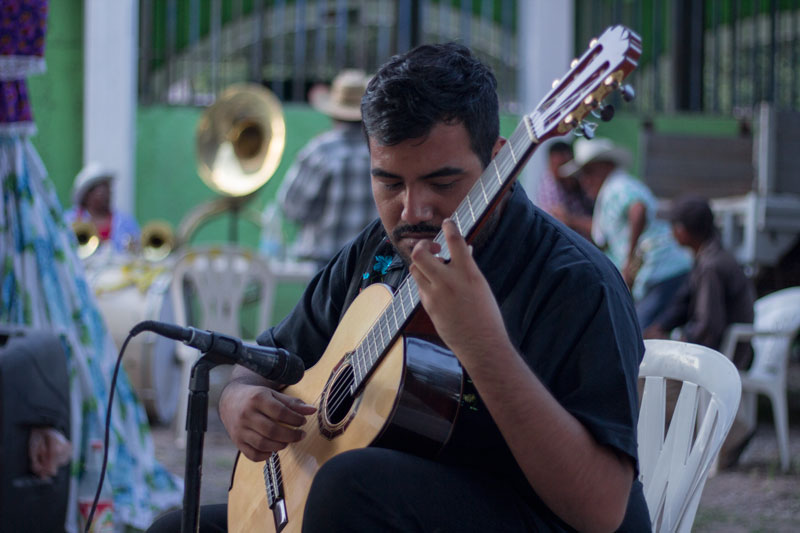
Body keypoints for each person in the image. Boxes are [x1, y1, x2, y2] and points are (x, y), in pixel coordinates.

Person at [149, 43, 650, 532]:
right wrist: (238, 398)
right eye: (390, 183)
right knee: (175, 528)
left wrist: (482, 345)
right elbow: (266, 360)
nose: (413, 211)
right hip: (368, 507)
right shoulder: (380, 251)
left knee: (351, 486)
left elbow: (601, 509)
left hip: (529, 515)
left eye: (443, 182)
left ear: (500, 162)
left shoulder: (574, 282)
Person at [644, 195, 756, 468]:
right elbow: (683, 304)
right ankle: (710, 437)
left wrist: (680, 343)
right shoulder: (708, 255)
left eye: (674, 227)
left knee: (652, 376)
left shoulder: (711, 266)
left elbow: (709, 324)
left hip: (728, 352)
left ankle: (727, 434)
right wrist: (660, 328)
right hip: (726, 346)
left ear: (683, 231)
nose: (671, 233)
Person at [560, 137, 692, 330]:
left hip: (661, 270)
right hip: (657, 273)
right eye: (581, 175)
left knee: (636, 331)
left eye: (589, 172)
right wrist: (570, 221)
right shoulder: (611, 192)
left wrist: (628, 260)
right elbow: (605, 231)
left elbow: (638, 209)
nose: (585, 180)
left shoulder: (618, 186)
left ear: (606, 166)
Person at [277, 69, 377, 268]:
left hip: (325, 263)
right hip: (371, 261)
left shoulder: (320, 150)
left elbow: (291, 207)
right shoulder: (381, 151)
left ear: (334, 112)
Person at [64, 162, 140, 254]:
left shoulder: (126, 221)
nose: (108, 194)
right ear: (87, 194)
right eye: (102, 191)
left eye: (108, 189)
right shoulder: (69, 220)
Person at [536, 140, 594, 239]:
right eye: (559, 166)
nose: (564, 171)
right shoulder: (550, 188)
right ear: (551, 165)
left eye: (567, 165)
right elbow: (563, 221)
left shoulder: (578, 179)